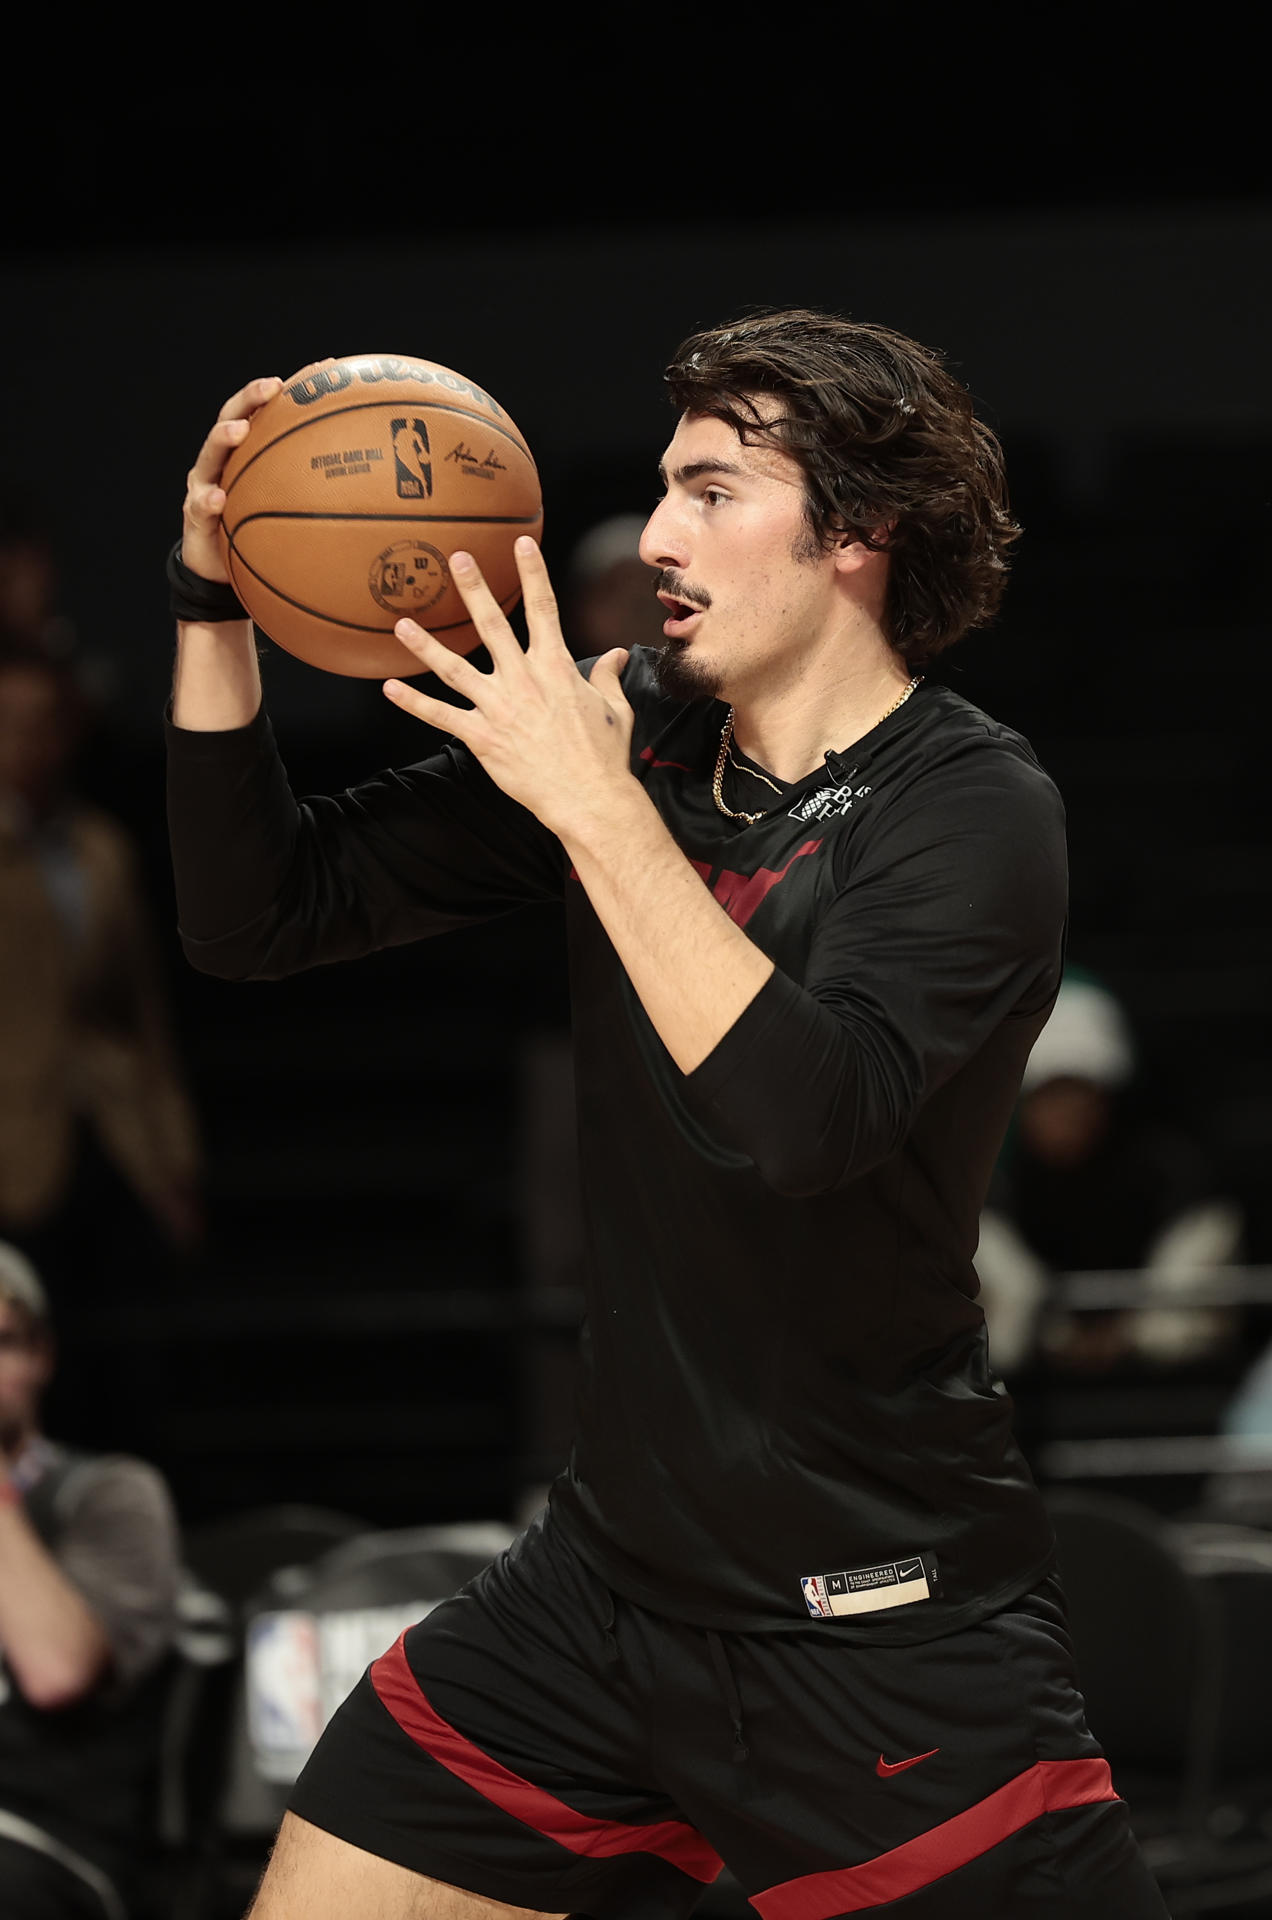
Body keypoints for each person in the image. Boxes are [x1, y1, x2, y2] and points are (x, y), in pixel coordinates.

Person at [165, 312, 1169, 1917]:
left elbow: (808, 1120)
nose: (660, 536)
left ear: (859, 528)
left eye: (712, 490)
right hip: (603, 1591)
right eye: (660, 490)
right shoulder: (648, 736)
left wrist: (591, 805)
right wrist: (214, 599)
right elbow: (253, 912)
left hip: (867, 1612)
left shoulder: (972, 807)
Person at [0, 645, 204, 1347]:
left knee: (124, 1355)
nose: (31, 739)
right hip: (13, 1143)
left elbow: (144, 1014)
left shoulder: (99, 848)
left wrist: (173, 1158)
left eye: (46, 720)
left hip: (112, 1132)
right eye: (11, 720)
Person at [0, 1239, 182, 1918]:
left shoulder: (108, 1497)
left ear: (40, 1354)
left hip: (49, 1844)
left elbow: (55, 1671)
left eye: (0, 1343)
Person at [976, 972, 1243, 1381]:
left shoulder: (1173, 1174)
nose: (1066, 1113)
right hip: (1028, 1401)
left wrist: (1131, 1332)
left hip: (1167, 1391)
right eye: (1050, 1094)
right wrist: (1056, 1335)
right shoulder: (995, 1189)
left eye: (1081, 1092)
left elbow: (1186, 1313)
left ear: (1109, 1099)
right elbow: (1005, 1324)